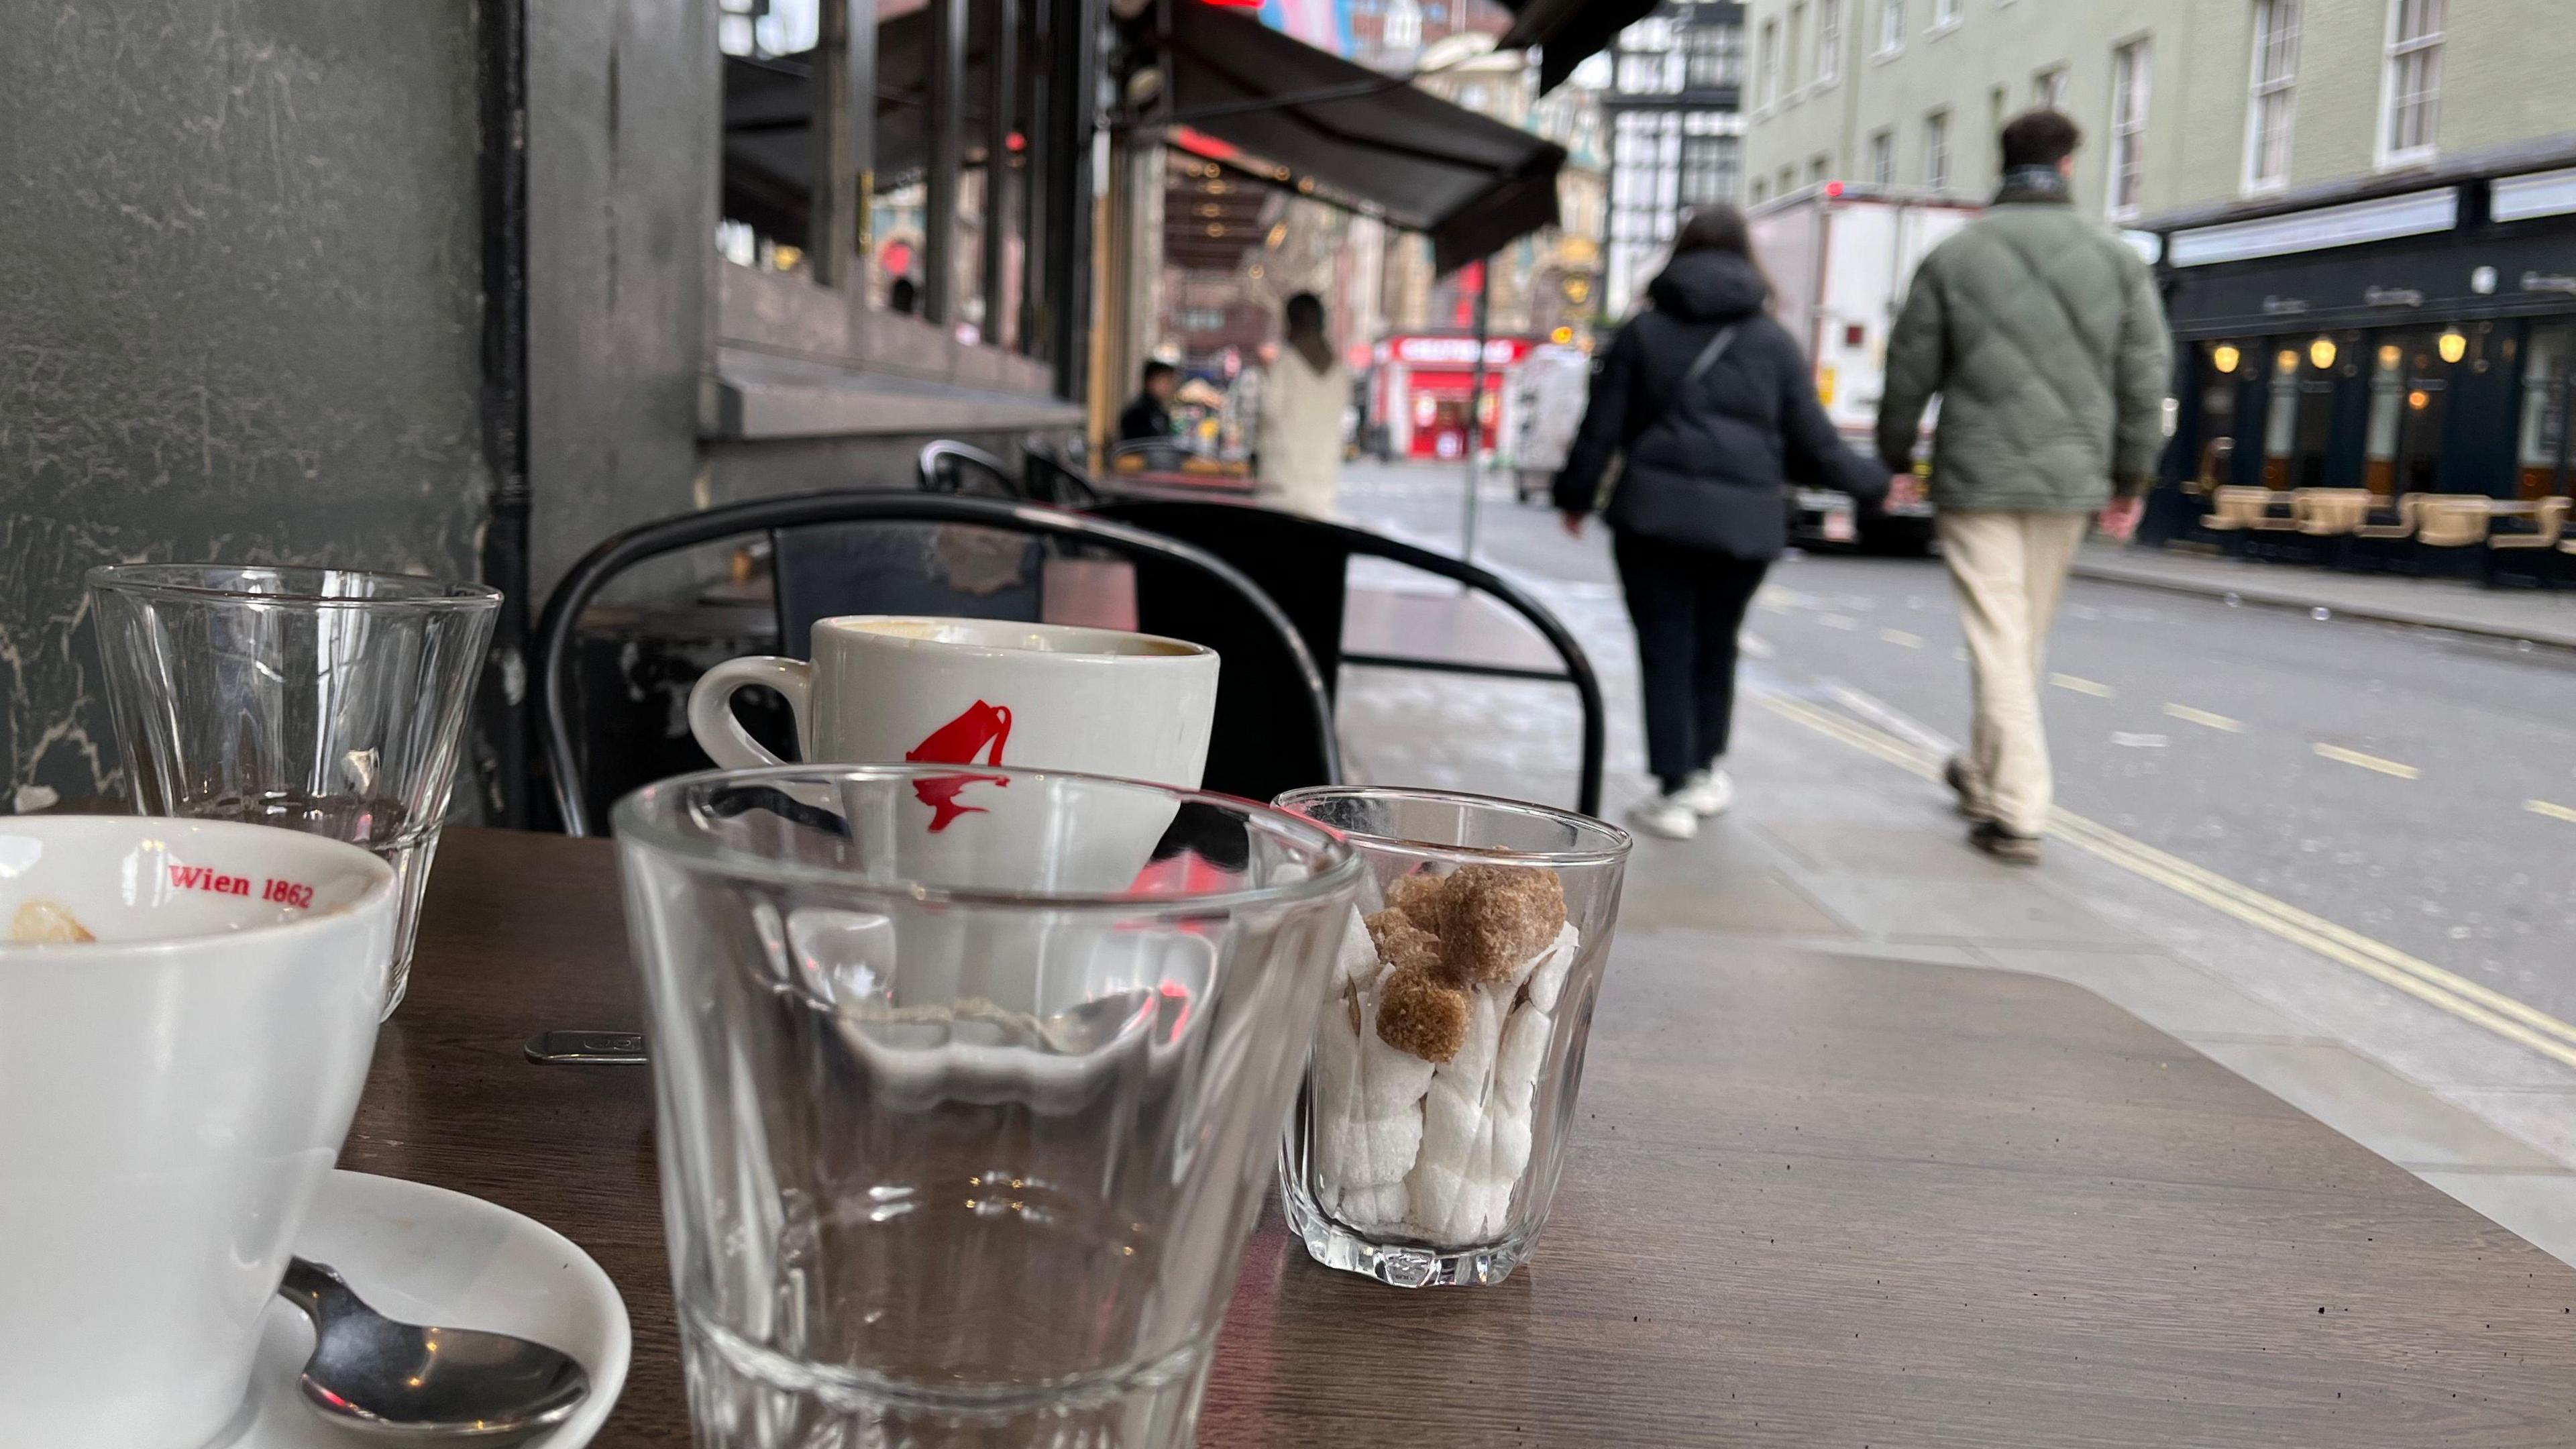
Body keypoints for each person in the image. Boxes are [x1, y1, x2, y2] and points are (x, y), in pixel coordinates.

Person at [1876, 110, 2170, 865]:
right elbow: (2144, 378)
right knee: (2019, 638)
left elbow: (1909, 371)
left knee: (2003, 638)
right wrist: (2132, 477)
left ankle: (2014, 804)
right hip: (2073, 476)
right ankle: (1987, 775)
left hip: (1978, 474)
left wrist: (1897, 457)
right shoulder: (2116, 259)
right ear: (2068, 166)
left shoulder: (1956, 256)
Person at [1556, 205, 1890, 842]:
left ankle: (1674, 789)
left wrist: (1575, 497)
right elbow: (1815, 442)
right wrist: (1874, 485)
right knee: (1717, 645)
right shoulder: (1772, 342)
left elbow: (1602, 428)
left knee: (1666, 649)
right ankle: (1705, 771)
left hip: (1653, 522)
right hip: (1745, 530)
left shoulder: (1643, 333)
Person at [1258, 293, 1354, 518]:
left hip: (1280, 492)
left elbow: (1269, 415)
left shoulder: (1285, 366)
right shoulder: (1339, 371)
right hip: (1323, 491)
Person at [1119, 360, 1179, 448]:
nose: (1170, 387)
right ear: (1150, 382)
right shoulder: (1137, 414)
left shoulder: (1159, 411)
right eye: (1166, 381)